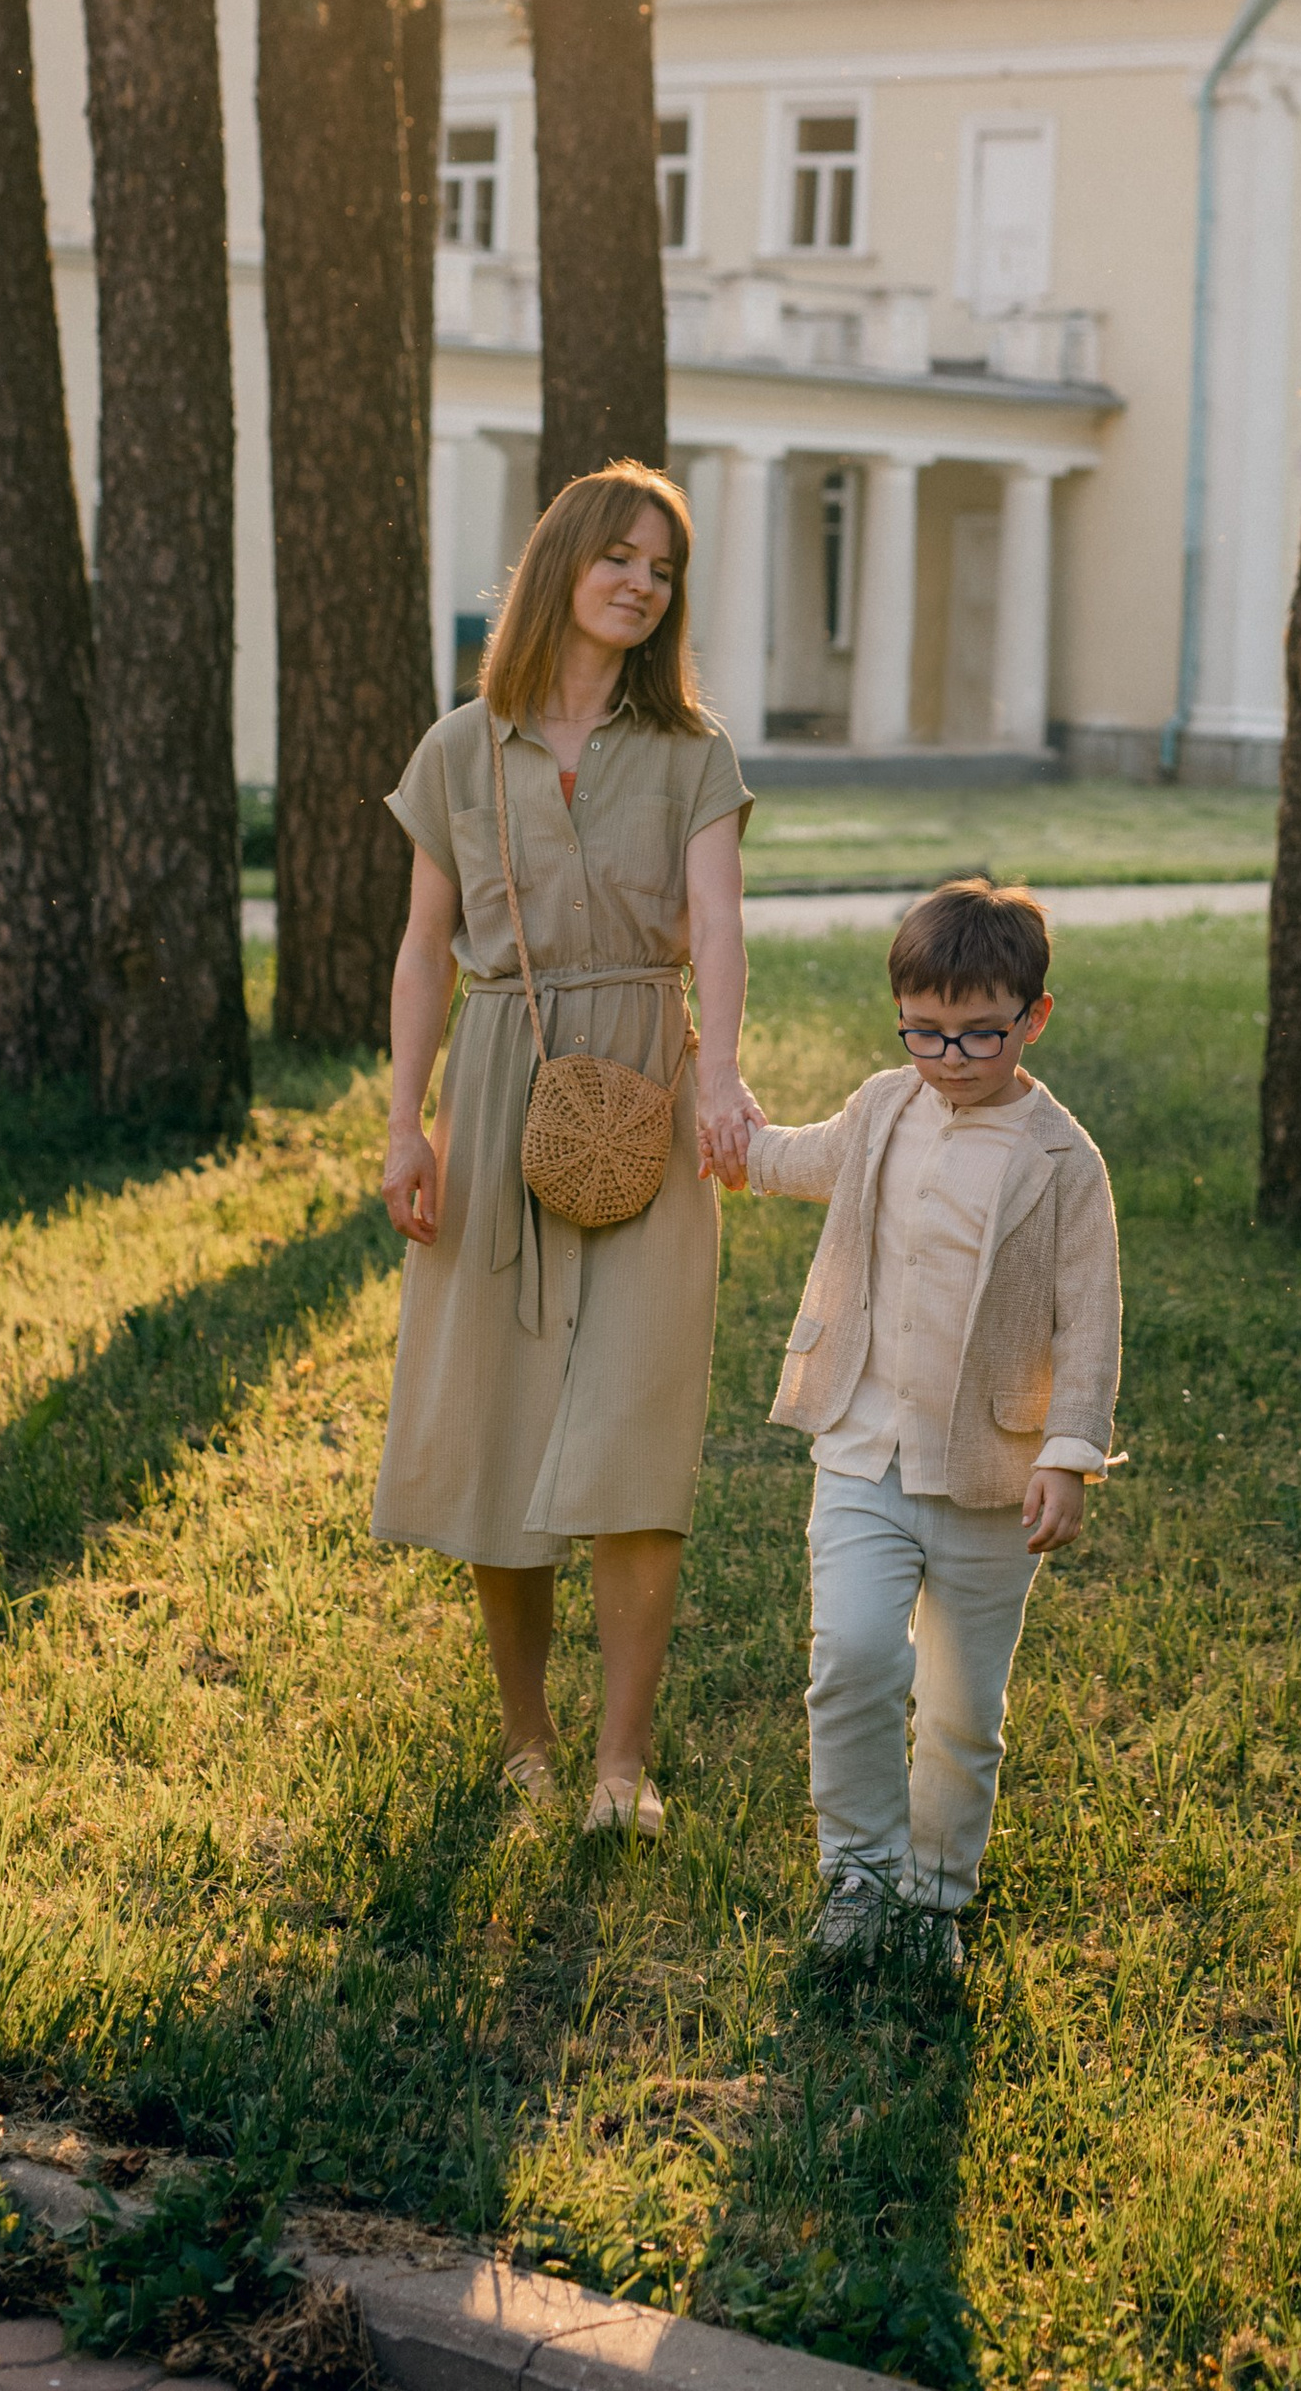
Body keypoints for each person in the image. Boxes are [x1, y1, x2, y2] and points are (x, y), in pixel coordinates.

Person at [373, 459, 761, 1837]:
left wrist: (720, 1070)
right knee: (501, 1426)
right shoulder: (460, 748)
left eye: (665, 569)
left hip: (646, 1090)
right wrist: (404, 1123)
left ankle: (622, 1766)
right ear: (563, 565)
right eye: (622, 559)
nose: (643, 585)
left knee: (636, 1434)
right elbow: (426, 949)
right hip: (493, 1090)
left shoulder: (695, 752)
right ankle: (528, 1738)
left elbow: (715, 924)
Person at [721, 878, 1122, 1959]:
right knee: (851, 1655)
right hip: (862, 1448)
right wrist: (732, 1136)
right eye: (923, 1034)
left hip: (991, 1475)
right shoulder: (884, 1105)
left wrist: (1069, 1455)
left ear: (1033, 1017)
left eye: (976, 1036)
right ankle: (857, 1879)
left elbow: (1089, 1325)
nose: (946, 1059)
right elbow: (798, 1158)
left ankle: (934, 1897)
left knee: (958, 1709)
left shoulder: (1061, 1164)